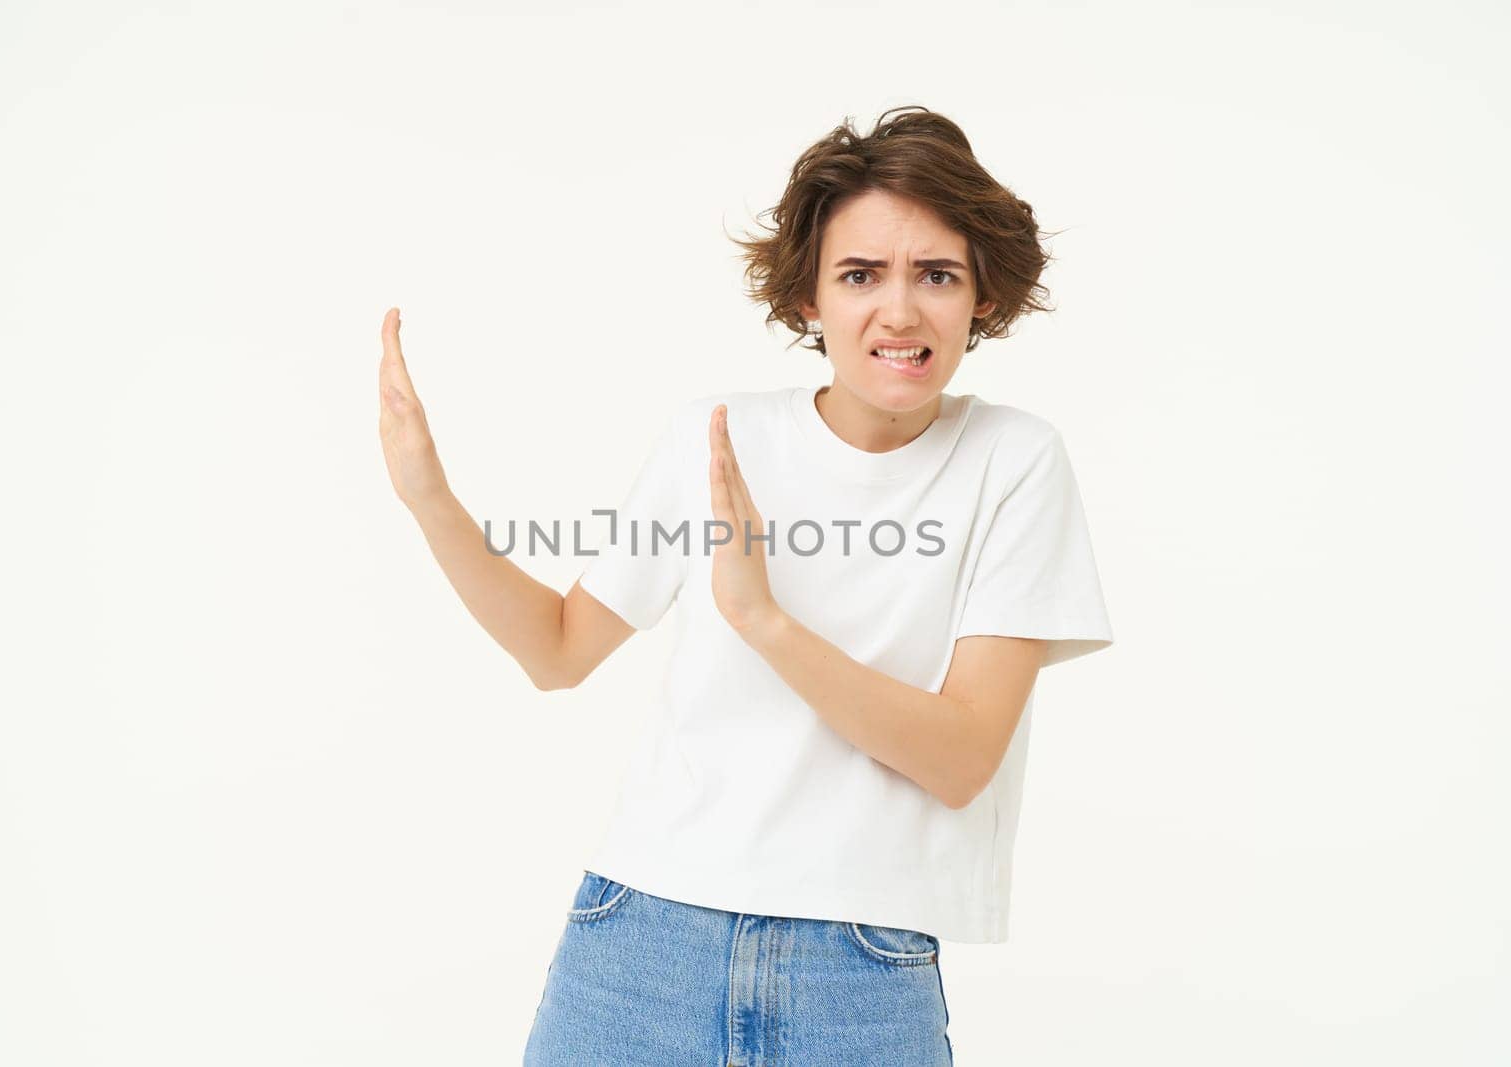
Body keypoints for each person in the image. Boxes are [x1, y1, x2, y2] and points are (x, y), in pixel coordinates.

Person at [377, 104, 1114, 1066]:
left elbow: (962, 755)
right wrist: (431, 499)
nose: (899, 311)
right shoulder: (717, 435)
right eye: (860, 275)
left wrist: (763, 620)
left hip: (859, 966)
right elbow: (558, 651)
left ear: (983, 295)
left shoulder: (1013, 461)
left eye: (937, 274)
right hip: (639, 937)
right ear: (809, 300)